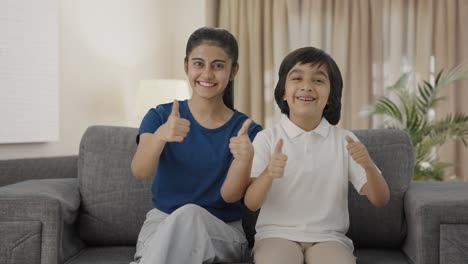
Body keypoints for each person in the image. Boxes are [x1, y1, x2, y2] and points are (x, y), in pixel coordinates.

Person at [244, 47, 390, 264]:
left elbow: (381, 200)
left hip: (329, 238)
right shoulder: (267, 138)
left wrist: (368, 165)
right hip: (275, 235)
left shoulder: (345, 140)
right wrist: (269, 173)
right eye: (297, 78)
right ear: (283, 91)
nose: (307, 86)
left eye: (318, 81)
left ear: (331, 96)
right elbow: (251, 203)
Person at [130, 27, 262, 264]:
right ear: (186, 66)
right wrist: (161, 136)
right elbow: (140, 171)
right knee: (182, 226)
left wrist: (244, 158)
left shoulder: (247, 132)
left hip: (222, 230)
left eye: (218, 66)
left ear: (234, 71)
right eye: (199, 64)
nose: (207, 74)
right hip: (161, 224)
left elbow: (232, 197)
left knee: (189, 214)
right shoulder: (159, 117)